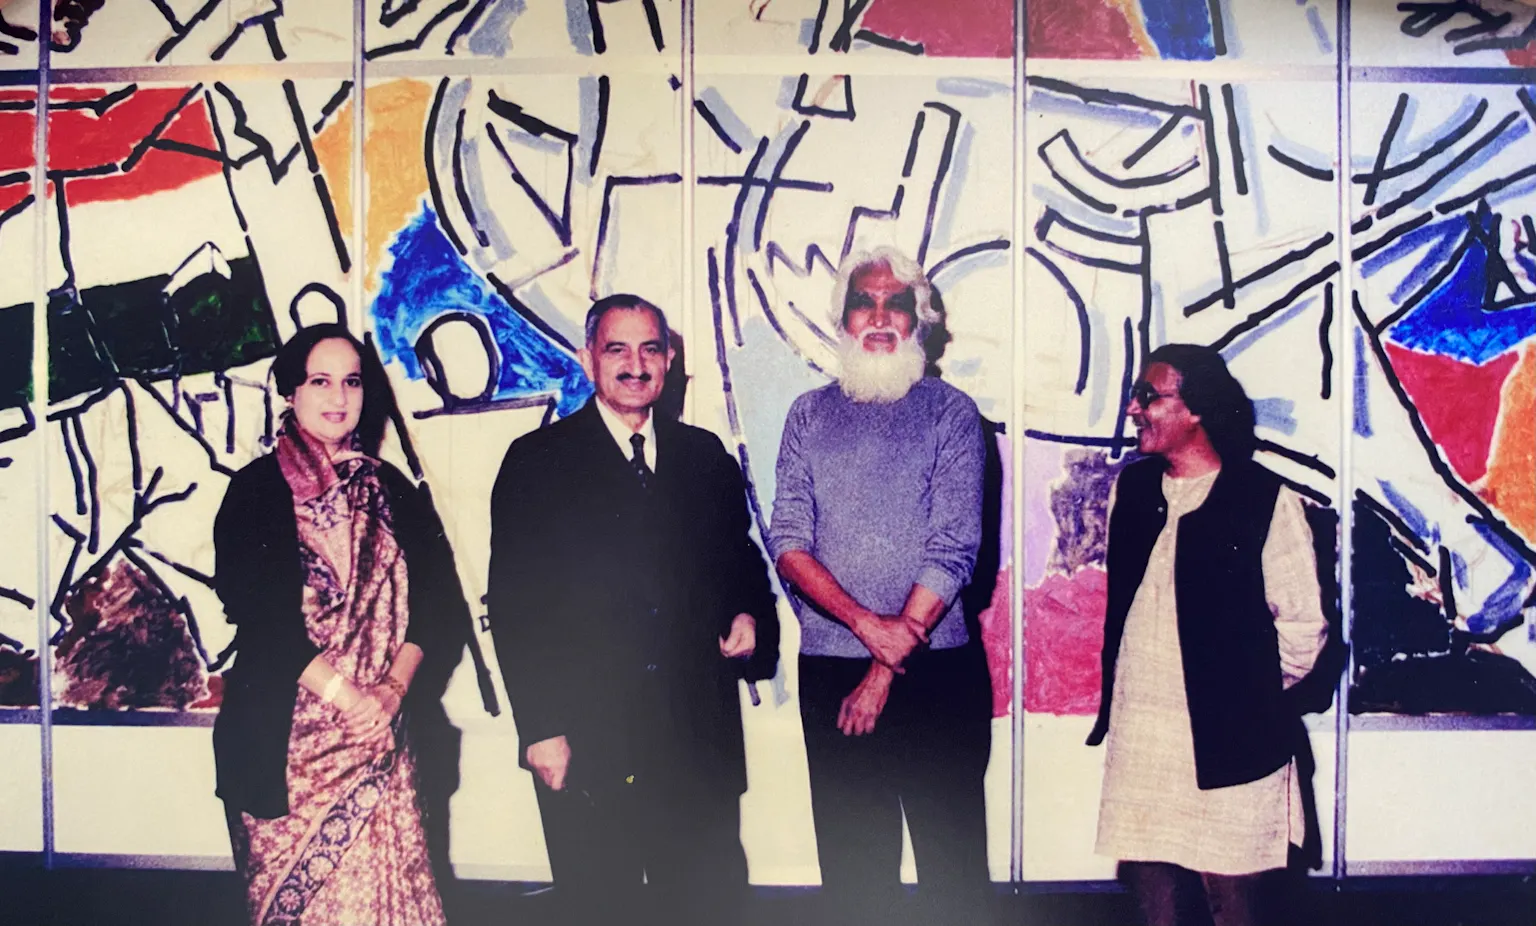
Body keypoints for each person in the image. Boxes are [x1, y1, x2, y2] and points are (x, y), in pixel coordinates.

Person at [487, 294, 778, 924]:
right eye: (617, 348)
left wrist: (750, 615)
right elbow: (514, 608)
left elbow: (741, 562)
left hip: (694, 740)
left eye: (650, 348)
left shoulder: (705, 458)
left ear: (669, 361)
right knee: (600, 906)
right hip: (588, 742)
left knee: (706, 903)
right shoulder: (536, 464)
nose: (635, 363)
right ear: (589, 358)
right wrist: (539, 728)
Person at [211, 323, 469, 926]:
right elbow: (262, 621)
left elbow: (440, 607)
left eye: (351, 382)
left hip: (384, 743)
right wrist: (351, 700)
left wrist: (389, 693)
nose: (339, 397)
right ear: (291, 393)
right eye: (320, 381)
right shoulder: (255, 492)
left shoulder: (391, 491)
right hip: (287, 753)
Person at [768, 247, 992, 924]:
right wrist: (869, 631)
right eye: (865, 301)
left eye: (897, 303)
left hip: (935, 671)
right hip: (831, 670)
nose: (879, 316)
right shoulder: (807, 415)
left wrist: (883, 671)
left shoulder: (952, 414)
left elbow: (954, 548)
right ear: (842, 319)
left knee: (952, 867)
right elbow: (788, 541)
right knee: (852, 867)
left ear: (920, 321)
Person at [1088, 343, 1331, 926]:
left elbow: (1304, 628)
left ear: (1196, 409)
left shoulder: (1265, 501)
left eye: (1151, 396)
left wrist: (1245, 698)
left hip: (1235, 752)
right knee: (1158, 905)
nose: (1134, 408)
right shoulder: (1135, 492)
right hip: (1145, 744)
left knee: (1236, 906)